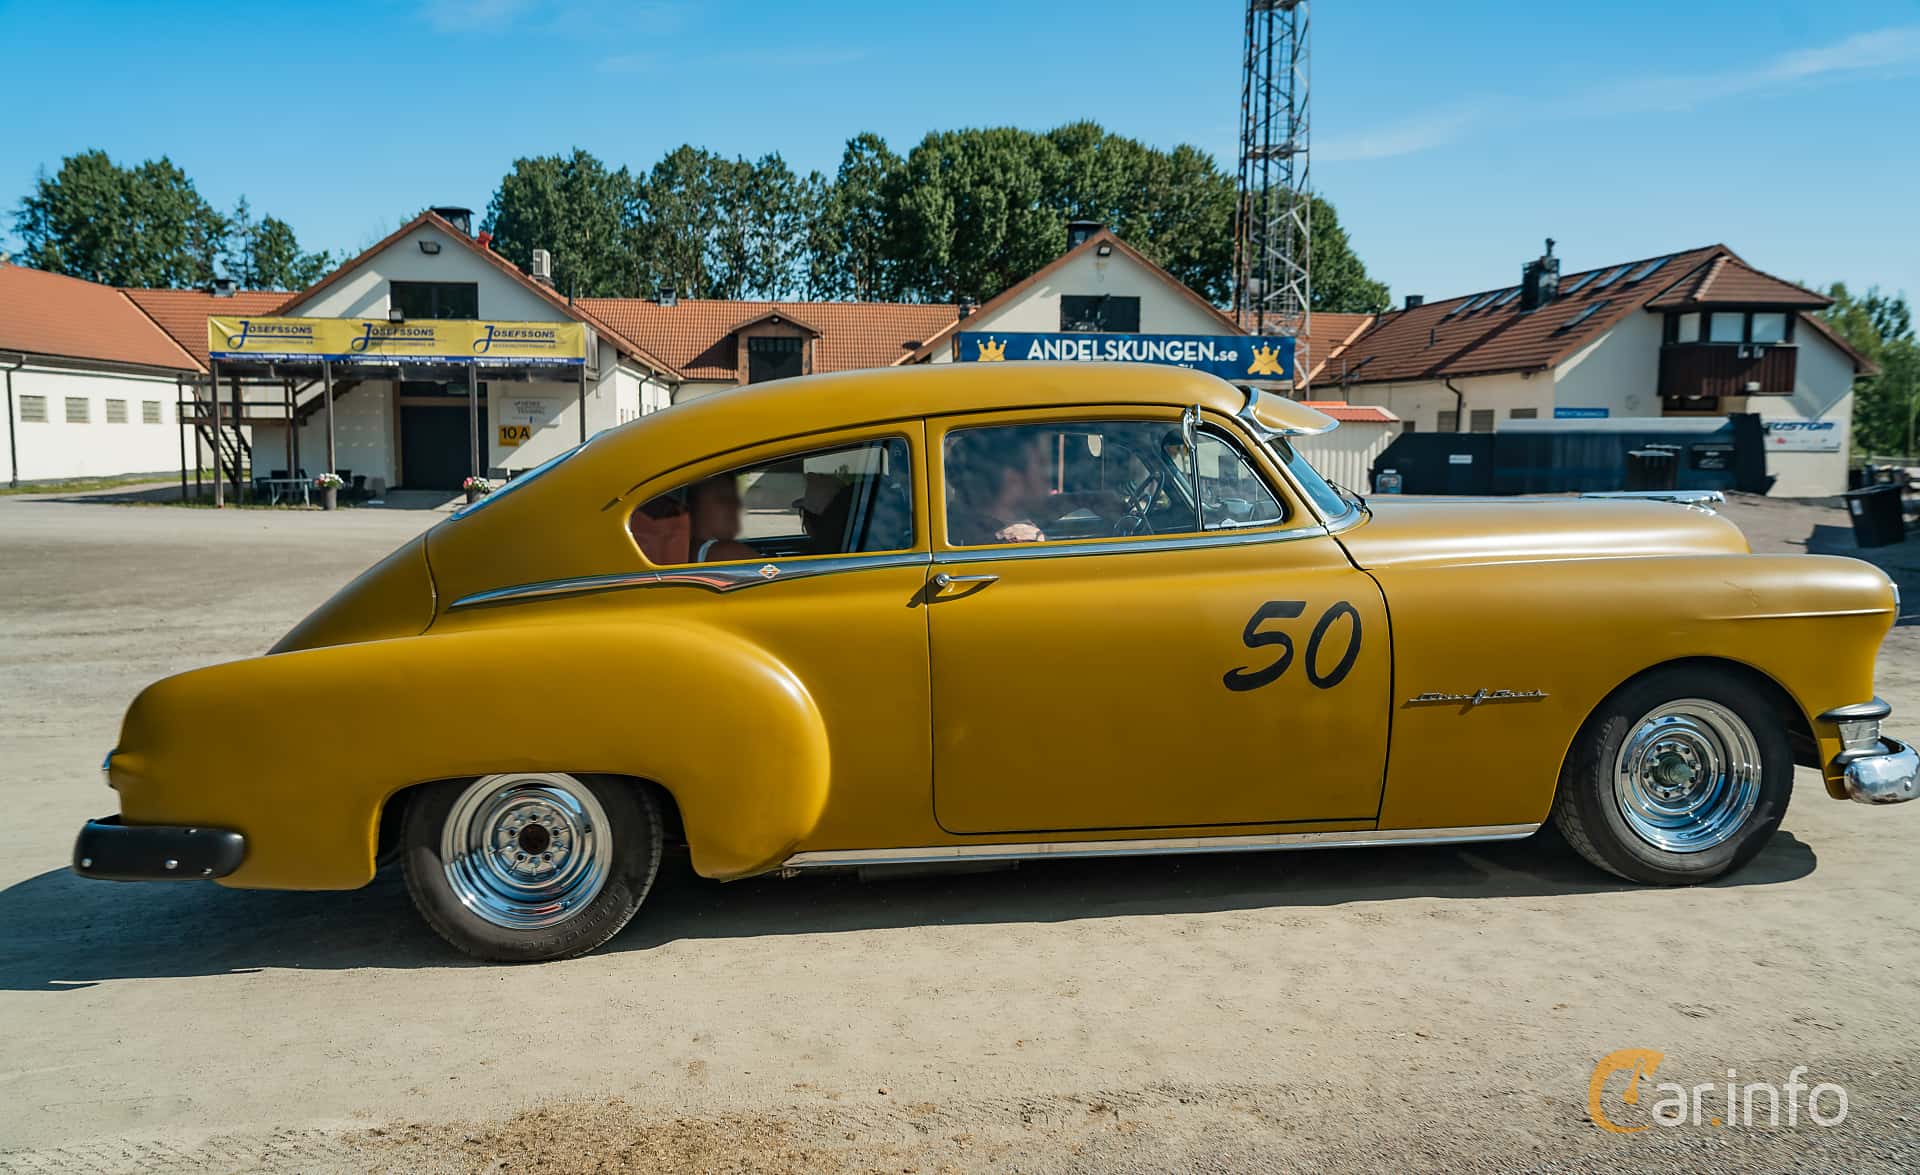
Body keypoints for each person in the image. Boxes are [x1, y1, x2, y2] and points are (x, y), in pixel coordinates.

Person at [946, 430, 1056, 545]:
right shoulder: (1022, 540)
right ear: (1012, 480)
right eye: (1040, 463)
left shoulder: (951, 525)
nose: (1047, 475)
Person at [687, 475, 757, 562]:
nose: (736, 504)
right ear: (695, 505)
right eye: (723, 498)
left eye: (735, 497)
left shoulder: (688, 548)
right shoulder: (729, 553)